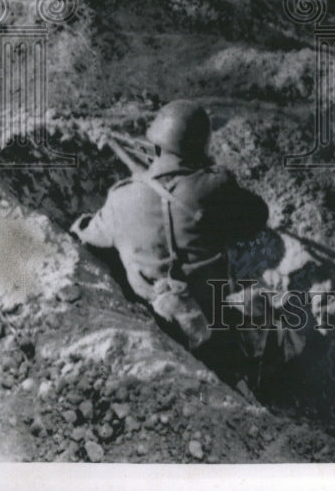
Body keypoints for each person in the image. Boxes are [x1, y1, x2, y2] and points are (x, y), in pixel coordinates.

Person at [70, 100, 269, 379]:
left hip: (158, 327)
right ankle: (255, 379)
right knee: (261, 303)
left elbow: (85, 235)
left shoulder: (121, 197)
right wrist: (216, 177)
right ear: (202, 147)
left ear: (155, 146)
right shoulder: (215, 188)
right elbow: (257, 218)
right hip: (216, 327)